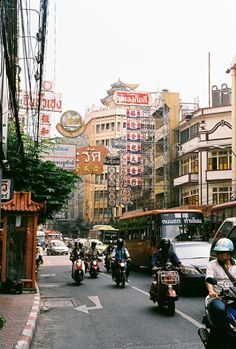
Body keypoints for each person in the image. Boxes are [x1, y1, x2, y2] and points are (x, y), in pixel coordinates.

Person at [205, 237, 236, 343]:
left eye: (222, 253)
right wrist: (211, 291)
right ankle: (218, 337)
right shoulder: (212, 264)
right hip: (219, 297)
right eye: (218, 252)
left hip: (234, 295)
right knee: (221, 311)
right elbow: (208, 280)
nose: (219, 255)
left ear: (229, 253)